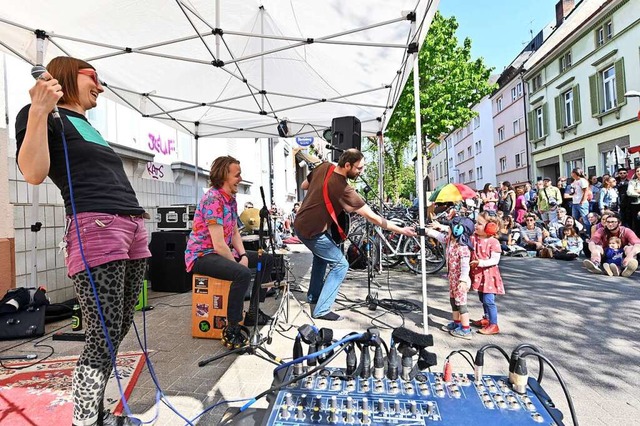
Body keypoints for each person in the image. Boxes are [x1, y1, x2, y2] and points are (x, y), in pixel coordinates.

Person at [15, 57, 149, 426]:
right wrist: (41, 109)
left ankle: (95, 412)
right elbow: (33, 172)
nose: (101, 88)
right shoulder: (39, 113)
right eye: (95, 78)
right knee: (103, 332)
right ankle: (86, 420)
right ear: (67, 74)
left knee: (118, 325)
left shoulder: (86, 124)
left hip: (131, 226)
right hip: (97, 227)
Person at [293, 149, 416, 321]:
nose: (361, 172)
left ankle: (314, 296)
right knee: (340, 265)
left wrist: (322, 194)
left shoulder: (324, 166)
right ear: (347, 165)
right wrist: (402, 230)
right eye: (359, 168)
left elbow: (304, 186)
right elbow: (373, 217)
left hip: (301, 223)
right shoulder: (343, 188)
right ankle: (322, 309)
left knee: (321, 258)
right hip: (311, 231)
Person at [185, 155, 275, 349]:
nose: (240, 179)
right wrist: (238, 264)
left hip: (219, 251)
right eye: (237, 175)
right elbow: (218, 244)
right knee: (241, 273)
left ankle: (253, 311)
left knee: (265, 259)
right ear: (224, 175)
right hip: (202, 255)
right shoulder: (212, 199)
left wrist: (242, 255)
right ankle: (232, 327)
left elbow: (233, 231)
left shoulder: (231, 200)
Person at [425, 213, 474, 339]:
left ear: (457, 231)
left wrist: (463, 280)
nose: (448, 230)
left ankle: (466, 329)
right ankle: (457, 323)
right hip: (452, 279)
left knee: (461, 304)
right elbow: (440, 236)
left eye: (450, 228)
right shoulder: (451, 240)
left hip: (460, 281)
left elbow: (465, 266)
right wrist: (427, 231)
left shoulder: (463, 248)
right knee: (453, 301)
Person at [469, 212, 504, 335]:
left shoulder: (493, 242)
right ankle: (487, 318)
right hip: (479, 275)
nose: (475, 225)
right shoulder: (474, 238)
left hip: (489, 276)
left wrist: (480, 263)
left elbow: (495, 260)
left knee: (489, 300)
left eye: (479, 223)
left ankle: (494, 324)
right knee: (482, 298)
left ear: (490, 226)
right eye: (476, 223)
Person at [583, 212, 640, 277]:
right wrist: (594, 252)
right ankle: (595, 263)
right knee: (596, 247)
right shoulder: (601, 230)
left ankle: (627, 266)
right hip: (607, 254)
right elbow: (592, 241)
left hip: (622, 256)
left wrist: (630, 255)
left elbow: (638, 244)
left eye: (613, 222)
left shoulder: (626, 231)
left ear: (619, 223)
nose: (610, 224)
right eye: (608, 222)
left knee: (630, 248)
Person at [626, 166, 640, 236]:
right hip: (636, 204)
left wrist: (638, 191)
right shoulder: (632, 182)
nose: (639, 172)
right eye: (637, 171)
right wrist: (638, 194)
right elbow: (629, 192)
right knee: (637, 222)